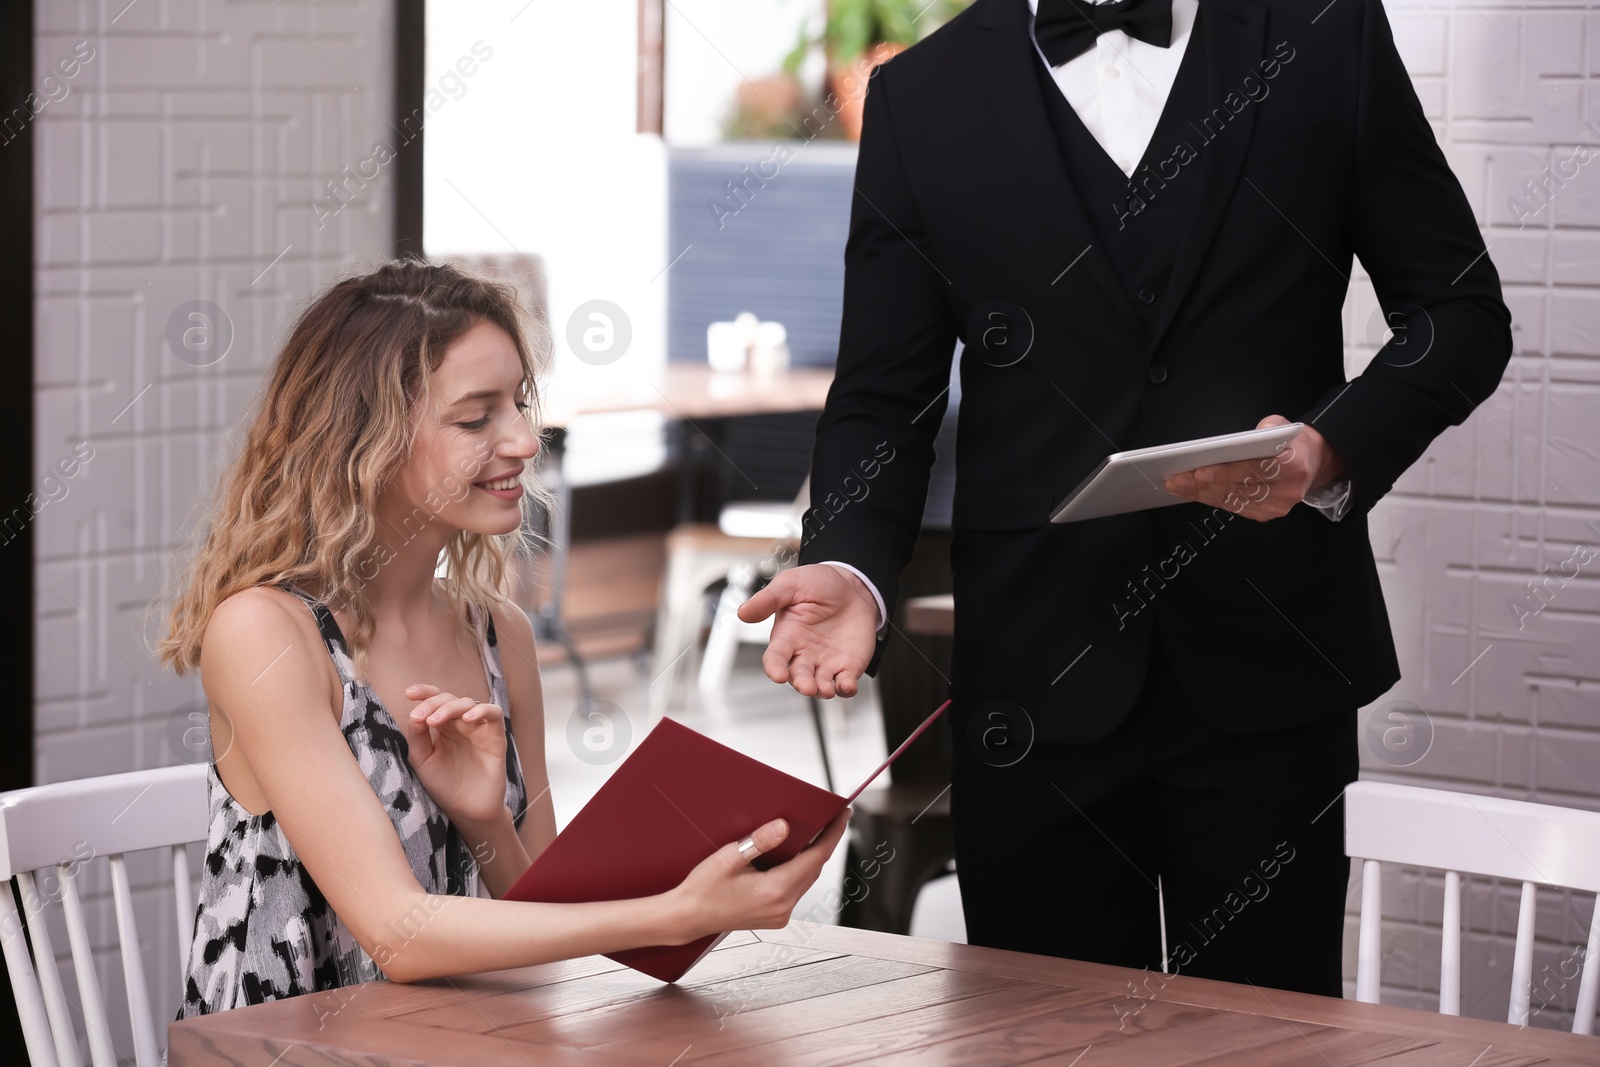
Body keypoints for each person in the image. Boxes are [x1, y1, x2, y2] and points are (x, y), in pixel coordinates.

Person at [739, 0, 1511, 997]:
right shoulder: (917, 95)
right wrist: (850, 562)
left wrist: (1327, 450)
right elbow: (886, 395)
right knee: (1038, 1035)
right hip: (1032, 682)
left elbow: (1457, 311)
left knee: (1266, 1042)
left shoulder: (1326, 31)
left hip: (1271, 662)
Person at [157, 260, 848, 1016]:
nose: (524, 438)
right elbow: (397, 932)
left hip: (461, 1040)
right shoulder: (266, 633)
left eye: (518, 402)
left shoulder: (499, 634)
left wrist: (485, 819)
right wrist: (676, 911)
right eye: (476, 416)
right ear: (365, 440)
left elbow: (535, 914)